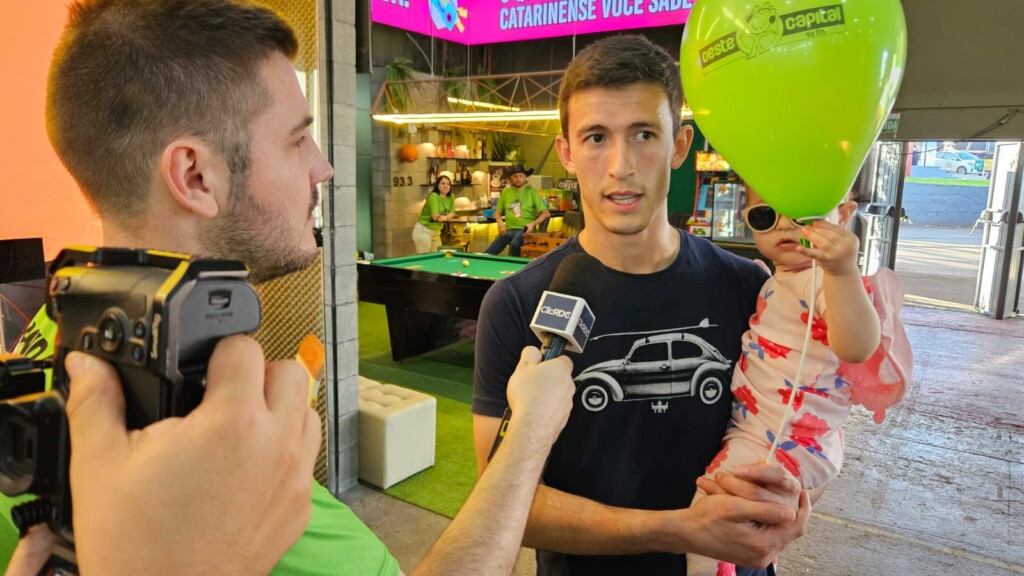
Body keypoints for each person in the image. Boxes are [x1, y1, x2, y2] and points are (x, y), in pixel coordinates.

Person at [3, 1, 579, 574]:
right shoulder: (202, 455)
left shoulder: (54, 338)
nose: (324, 168)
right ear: (196, 176)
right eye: (297, 139)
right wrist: (529, 429)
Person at [472, 34, 810, 575]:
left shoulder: (748, 286)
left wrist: (790, 497)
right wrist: (677, 530)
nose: (620, 166)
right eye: (596, 137)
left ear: (680, 146)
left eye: (644, 134)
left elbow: (791, 420)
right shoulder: (517, 304)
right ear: (566, 152)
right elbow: (504, 506)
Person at [685, 189, 911, 576]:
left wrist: (843, 271)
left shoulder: (824, 282)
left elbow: (857, 345)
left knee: (705, 511)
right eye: (765, 216)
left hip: (785, 437)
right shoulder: (781, 278)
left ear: (844, 214)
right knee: (742, 519)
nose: (785, 226)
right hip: (767, 429)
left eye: (804, 216)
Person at [484, 162, 551, 257]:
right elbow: (497, 213)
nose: (518, 179)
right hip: (508, 230)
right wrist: (500, 222)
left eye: (520, 176)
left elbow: (546, 213)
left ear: (525, 177)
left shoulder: (531, 192)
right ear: (511, 178)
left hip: (525, 231)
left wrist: (533, 224)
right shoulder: (506, 192)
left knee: (515, 243)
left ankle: (512, 268)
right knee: (488, 252)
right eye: (515, 176)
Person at [412, 174, 455, 253]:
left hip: (436, 233)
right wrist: (444, 217)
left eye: (448, 184)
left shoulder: (451, 196)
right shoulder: (433, 196)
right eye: (443, 183)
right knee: (425, 258)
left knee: (437, 256)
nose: (446, 186)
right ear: (437, 185)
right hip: (424, 230)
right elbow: (435, 216)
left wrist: (445, 217)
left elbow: (452, 213)